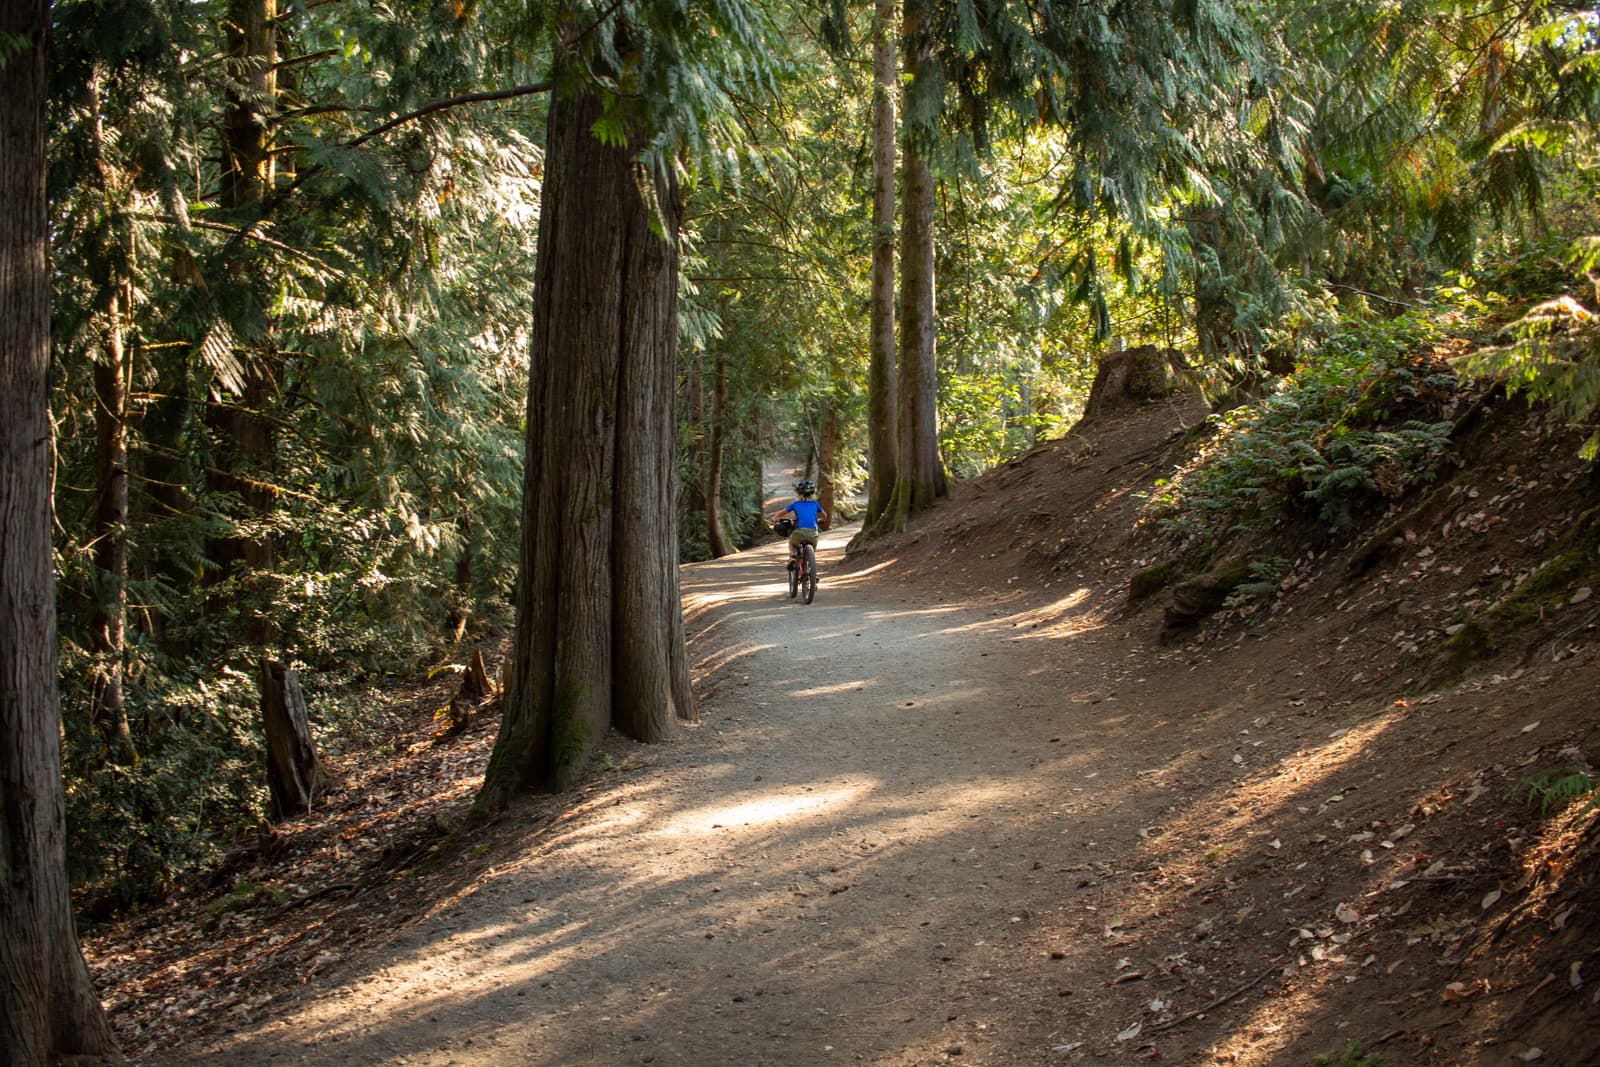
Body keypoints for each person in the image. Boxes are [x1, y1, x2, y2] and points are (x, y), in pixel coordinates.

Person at [771, 479, 828, 570]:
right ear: (812, 493)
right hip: (813, 534)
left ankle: (793, 557)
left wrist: (775, 518)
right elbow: (825, 515)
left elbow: (781, 513)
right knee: (812, 550)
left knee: (791, 542)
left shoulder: (796, 504)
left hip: (799, 532)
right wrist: (822, 520)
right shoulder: (815, 504)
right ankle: (811, 570)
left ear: (798, 494)